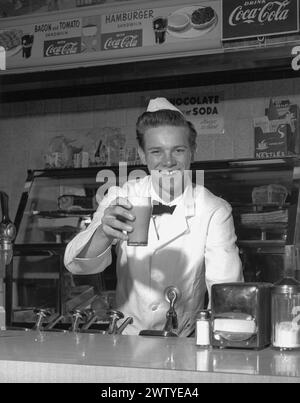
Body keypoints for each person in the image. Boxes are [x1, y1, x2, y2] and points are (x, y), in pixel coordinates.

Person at [64, 97, 243, 336]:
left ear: (192, 151)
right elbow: (76, 265)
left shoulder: (213, 210)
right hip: (126, 338)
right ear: (142, 154)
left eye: (178, 150)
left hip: (182, 340)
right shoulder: (122, 196)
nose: (168, 161)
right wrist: (103, 233)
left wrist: (216, 345)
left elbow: (226, 291)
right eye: (156, 151)